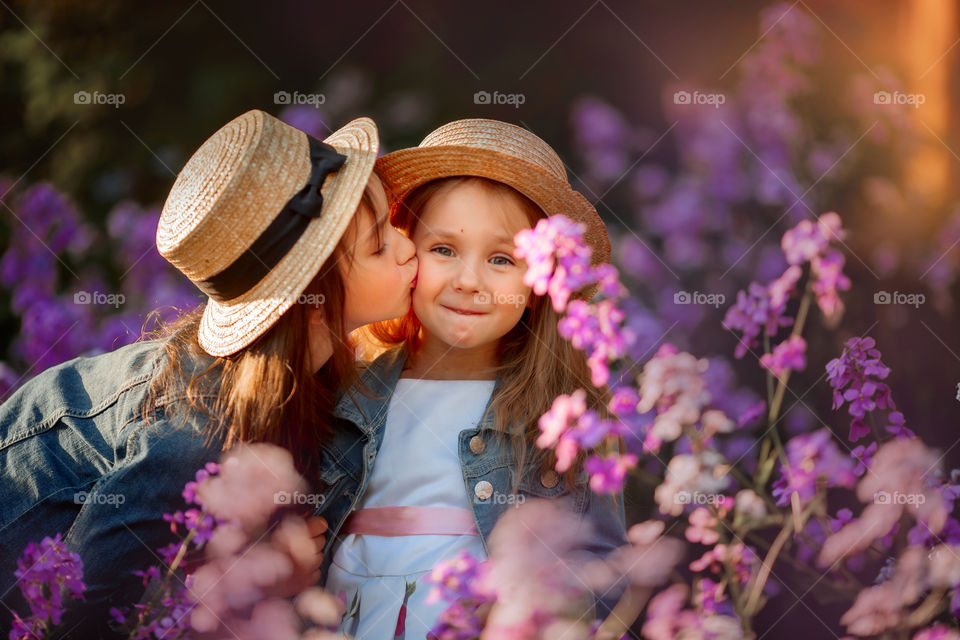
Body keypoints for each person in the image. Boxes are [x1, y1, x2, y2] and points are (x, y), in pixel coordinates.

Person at [0, 109, 418, 636]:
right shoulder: (195, 434)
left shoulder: (296, 376)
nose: (409, 247)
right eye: (380, 245)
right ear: (313, 301)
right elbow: (71, 614)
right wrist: (251, 576)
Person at [318, 118, 627, 637]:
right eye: (444, 249)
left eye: (502, 259)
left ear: (539, 283)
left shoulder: (562, 416)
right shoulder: (351, 392)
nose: (468, 281)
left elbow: (601, 567)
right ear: (405, 247)